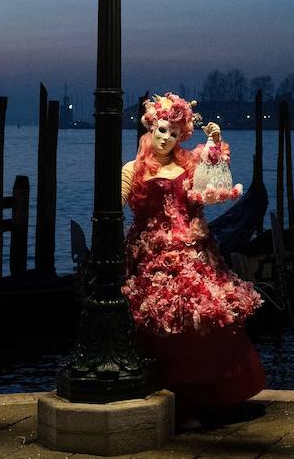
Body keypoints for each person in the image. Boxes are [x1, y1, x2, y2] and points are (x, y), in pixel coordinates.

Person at [120, 93, 265, 422]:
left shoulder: (189, 166)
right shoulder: (132, 169)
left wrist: (214, 145)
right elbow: (114, 202)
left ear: (180, 136)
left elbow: (214, 191)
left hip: (193, 255)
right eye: (161, 130)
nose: (165, 138)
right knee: (157, 321)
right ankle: (164, 397)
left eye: (173, 133)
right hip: (150, 256)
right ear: (151, 127)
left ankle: (203, 400)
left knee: (201, 320)